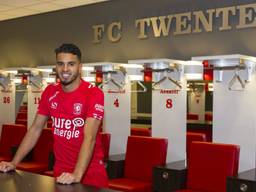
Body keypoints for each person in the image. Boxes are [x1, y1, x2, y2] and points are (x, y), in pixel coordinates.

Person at [0, 43, 108, 188]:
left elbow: (90, 137)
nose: (65, 69)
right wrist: (14, 162)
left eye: (71, 64)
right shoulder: (50, 92)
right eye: (60, 64)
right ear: (56, 66)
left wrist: (76, 174)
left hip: (89, 174)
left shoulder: (93, 94)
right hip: (61, 173)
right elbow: (35, 129)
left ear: (80, 67)